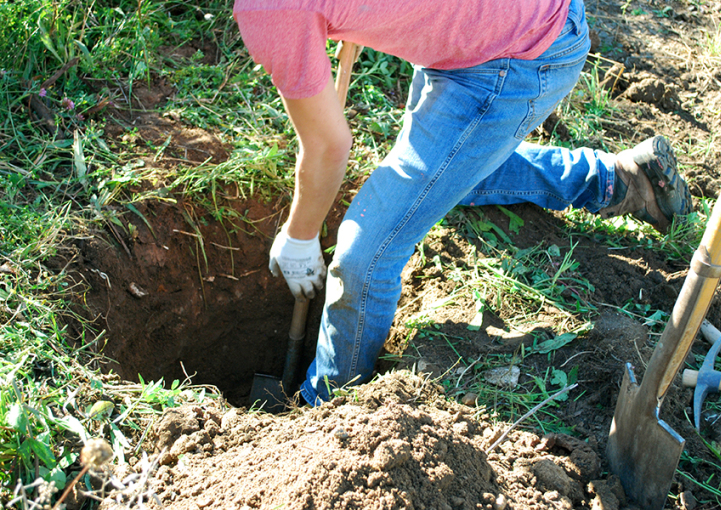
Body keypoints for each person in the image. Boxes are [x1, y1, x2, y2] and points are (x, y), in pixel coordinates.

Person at [233, 0, 693, 406]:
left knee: (363, 257)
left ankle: (325, 405)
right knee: (447, 175)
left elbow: (329, 148)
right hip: (483, 29)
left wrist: (300, 234)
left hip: (518, 49)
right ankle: (623, 180)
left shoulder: (269, 8)